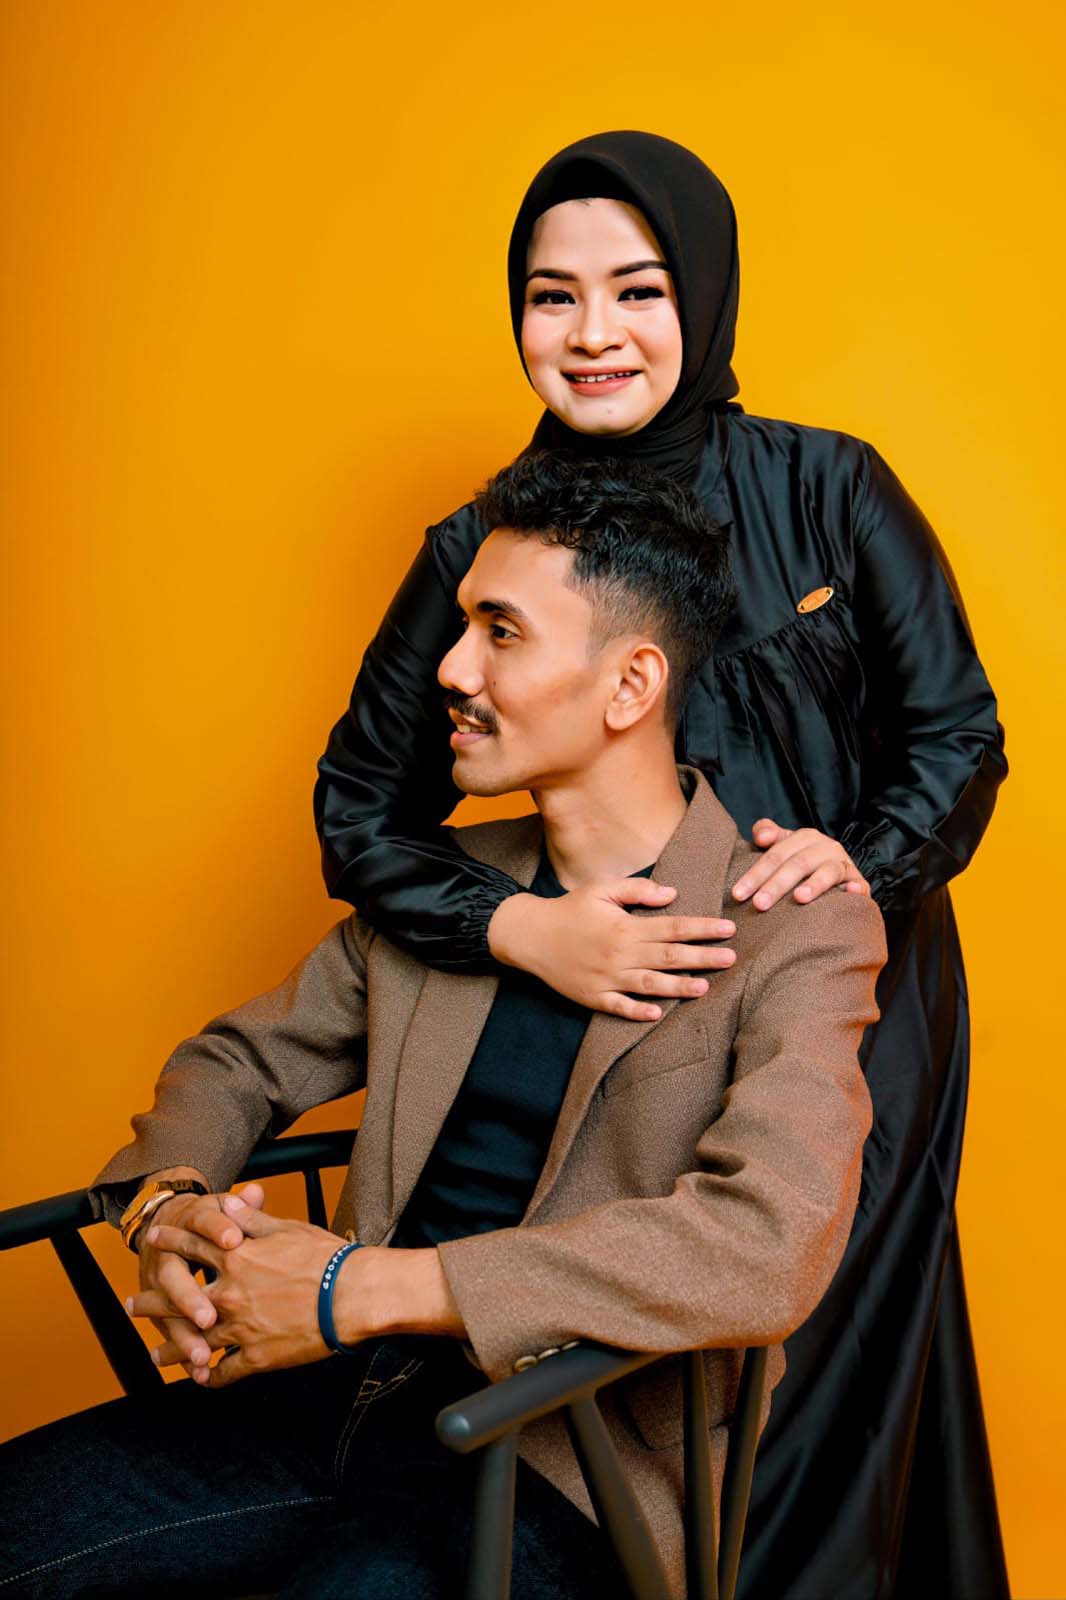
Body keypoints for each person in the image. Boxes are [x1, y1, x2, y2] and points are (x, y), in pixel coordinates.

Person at [314, 133, 1009, 1599]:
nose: (592, 333)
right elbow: (357, 807)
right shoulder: (482, 547)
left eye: (634, 290)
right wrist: (517, 931)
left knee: (826, 1397)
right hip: (612, 1039)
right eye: (549, 295)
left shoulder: (828, 487)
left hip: (849, 1004)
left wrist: (856, 865)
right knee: (630, 1420)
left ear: (701, 295)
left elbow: (956, 733)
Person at [0, 455, 884, 1600]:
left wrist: (358, 1289)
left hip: (565, 1460)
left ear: (630, 684)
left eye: (499, 632)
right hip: (316, 1390)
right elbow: (235, 1061)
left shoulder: (791, 922)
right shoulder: (447, 887)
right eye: (463, 626)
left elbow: (766, 1242)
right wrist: (167, 1207)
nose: (453, 669)